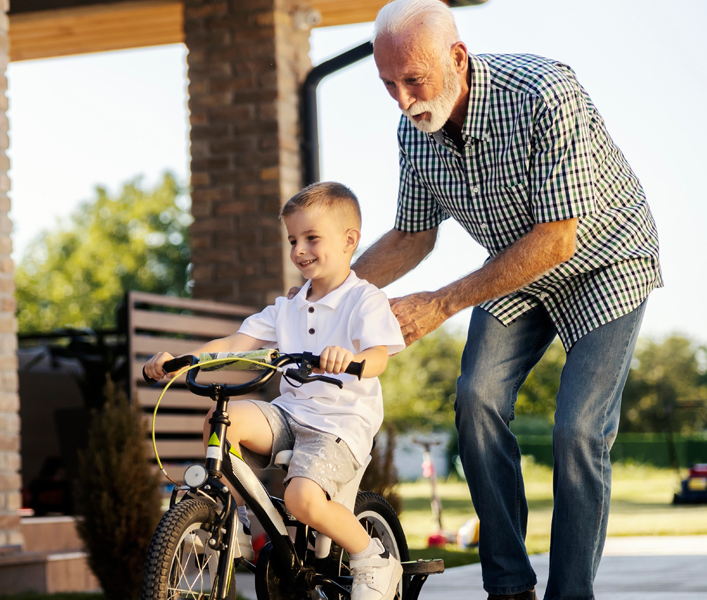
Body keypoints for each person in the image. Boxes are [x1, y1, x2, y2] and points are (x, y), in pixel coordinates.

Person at [345, 2, 662, 599]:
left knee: (577, 431)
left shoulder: (545, 93)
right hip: (516, 269)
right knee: (476, 398)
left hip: (605, 261)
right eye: (388, 85)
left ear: (457, 59)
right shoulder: (414, 134)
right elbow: (414, 235)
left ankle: (570, 595)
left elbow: (557, 238)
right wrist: (331, 290)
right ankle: (509, 587)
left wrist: (441, 303)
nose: (403, 99)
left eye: (413, 79)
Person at [145, 182, 407, 600]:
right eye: (293, 240)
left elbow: (379, 357)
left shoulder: (364, 300)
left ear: (349, 241)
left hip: (338, 423)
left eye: (311, 238)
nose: (299, 250)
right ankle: (248, 522)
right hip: (290, 412)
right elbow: (235, 343)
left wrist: (349, 358)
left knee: (302, 499)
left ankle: (374, 560)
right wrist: (181, 360)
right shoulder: (286, 307)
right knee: (223, 422)